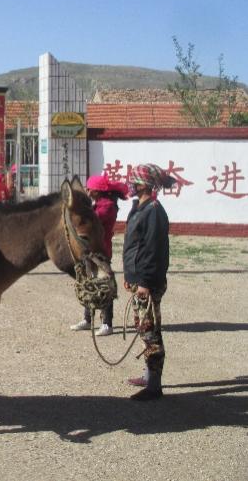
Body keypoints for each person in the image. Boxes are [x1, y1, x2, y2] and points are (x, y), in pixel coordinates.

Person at [122, 163, 175, 401]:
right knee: (144, 329)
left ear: (144, 184)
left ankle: (154, 386)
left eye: (134, 181)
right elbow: (134, 246)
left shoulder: (153, 210)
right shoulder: (139, 207)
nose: (131, 184)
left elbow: (153, 250)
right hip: (139, 280)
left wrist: (143, 281)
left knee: (150, 331)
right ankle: (148, 375)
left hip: (148, 282)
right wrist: (129, 277)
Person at [70, 174, 128, 335]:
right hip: (89, 251)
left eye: (90, 188)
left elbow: (91, 221)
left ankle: (107, 323)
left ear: (97, 190)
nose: (88, 190)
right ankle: (88, 319)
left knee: (104, 285)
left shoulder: (108, 206)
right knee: (88, 284)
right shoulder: (98, 205)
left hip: (101, 251)